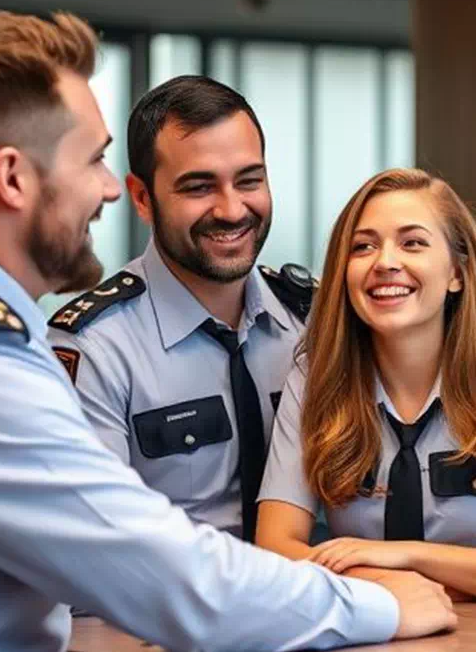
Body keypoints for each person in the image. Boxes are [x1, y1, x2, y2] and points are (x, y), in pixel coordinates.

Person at [0, 8, 454, 651]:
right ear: (13, 178)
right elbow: (158, 574)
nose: (107, 190)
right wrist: (378, 604)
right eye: (92, 161)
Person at [255, 168, 476, 600]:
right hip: (361, 625)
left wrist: (406, 557)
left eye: (412, 243)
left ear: (457, 273)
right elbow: (276, 549)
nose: (385, 262)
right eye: (363, 246)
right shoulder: (314, 382)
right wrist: (387, 585)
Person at [47, 75, 312, 541]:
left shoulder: (314, 320)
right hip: (167, 589)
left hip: (316, 581)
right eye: (199, 187)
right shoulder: (95, 348)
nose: (232, 210)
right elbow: (98, 543)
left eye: (249, 180)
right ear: (142, 198)